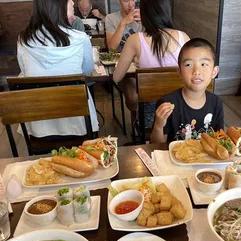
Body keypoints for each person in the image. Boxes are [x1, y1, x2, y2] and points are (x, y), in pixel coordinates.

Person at [17, 0, 98, 138]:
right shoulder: (81, 38)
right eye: (68, 0)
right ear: (57, 6)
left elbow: (25, 73)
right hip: (79, 123)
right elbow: (87, 72)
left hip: (39, 126)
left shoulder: (23, 39)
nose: (73, 3)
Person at [112, 0, 189, 126]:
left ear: (144, 13)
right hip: (181, 112)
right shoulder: (183, 37)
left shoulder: (135, 39)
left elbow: (116, 77)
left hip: (150, 116)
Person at [151, 38, 224, 143]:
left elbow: (219, 140)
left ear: (214, 71)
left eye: (203, 64)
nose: (196, 71)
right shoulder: (167, 103)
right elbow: (157, 146)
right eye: (189, 65)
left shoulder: (216, 103)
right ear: (180, 72)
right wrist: (158, 126)